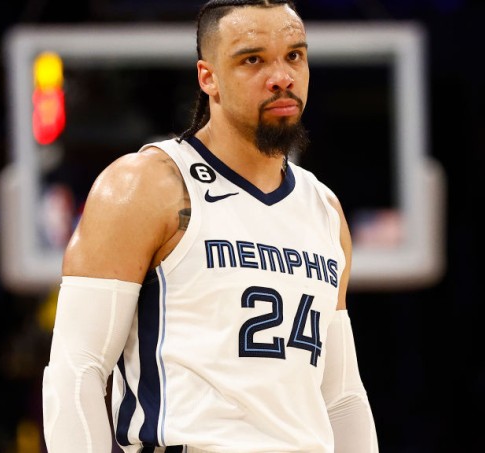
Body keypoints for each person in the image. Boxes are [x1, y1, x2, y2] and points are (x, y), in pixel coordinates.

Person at [41, 1, 379, 452]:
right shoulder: (147, 185)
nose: (281, 76)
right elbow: (76, 367)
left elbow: (342, 398)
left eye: (294, 55)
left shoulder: (324, 210)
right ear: (208, 77)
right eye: (253, 59)